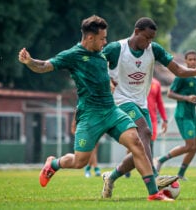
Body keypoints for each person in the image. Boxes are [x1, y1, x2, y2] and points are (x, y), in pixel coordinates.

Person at [18, 15, 173, 201]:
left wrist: (109, 82)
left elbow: (101, 75)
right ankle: (54, 164)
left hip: (111, 109)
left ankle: (153, 193)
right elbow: (44, 65)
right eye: (102, 38)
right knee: (79, 161)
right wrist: (30, 62)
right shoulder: (72, 55)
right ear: (90, 38)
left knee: (137, 142)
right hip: (90, 115)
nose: (105, 42)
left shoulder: (101, 53)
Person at [101, 17, 196, 198]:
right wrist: (106, 82)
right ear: (136, 32)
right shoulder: (116, 48)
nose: (149, 42)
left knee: (141, 149)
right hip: (120, 100)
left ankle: (111, 177)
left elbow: (178, 70)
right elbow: (95, 64)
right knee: (144, 131)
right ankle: (154, 180)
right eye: (146, 38)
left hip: (140, 102)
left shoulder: (153, 50)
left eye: (152, 39)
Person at [154, 50, 196, 181]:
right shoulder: (181, 76)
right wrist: (186, 98)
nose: (193, 62)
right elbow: (170, 93)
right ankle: (160, 160)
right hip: (183, 115)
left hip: (192, 114)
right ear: (185, 61)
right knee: (189, 146)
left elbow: (192, 96)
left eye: (195, 59)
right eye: (190, 60)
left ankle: (181, 174)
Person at [71, 111, 101, 177]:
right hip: (83, 135)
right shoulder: (79, 111)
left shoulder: (94, 111)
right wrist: (78, 135)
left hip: (94, 133)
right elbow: (73, 127)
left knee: (93, 152)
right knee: (92, 151)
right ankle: (95, 168)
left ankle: (89, 168)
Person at [147, 77, 168, 156]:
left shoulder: (156, 83)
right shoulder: (136, 80)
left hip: (152, 119)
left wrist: (165, 120)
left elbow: (159, 102)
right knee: (134, 145)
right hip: (138, 117)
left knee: (150, 143)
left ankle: (150, 166)